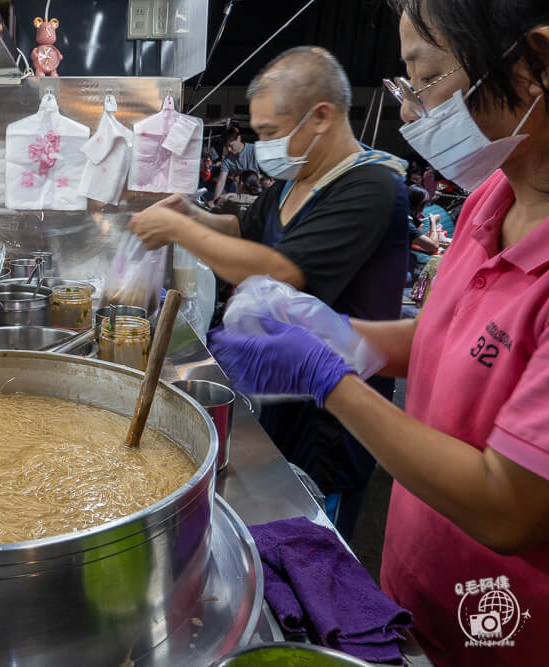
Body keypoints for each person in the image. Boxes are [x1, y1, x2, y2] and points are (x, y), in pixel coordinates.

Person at [208, 1, 549, 664]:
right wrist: (341, 334)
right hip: (412, 600)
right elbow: (452, 336)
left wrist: (327, 377)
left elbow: (510, 506)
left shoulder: (373, 187)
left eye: (426, 80)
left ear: (535, 64)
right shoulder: (493, 195)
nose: (412, 110)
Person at [129, 45, 410, 537]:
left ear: (321, 116)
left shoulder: (370, 186)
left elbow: (281, 269)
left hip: (335, 412)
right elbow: (244, 229)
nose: (263, 146)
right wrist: (192, 215)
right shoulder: (294, 180)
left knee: (315, 538)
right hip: (279, 388)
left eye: (270, 133)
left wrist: (177, 233)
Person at [213, 126, 259, 198]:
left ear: (239, 138)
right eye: (226, 146)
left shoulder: (255, 151)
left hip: (258, 194)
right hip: (240, 194)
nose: (229, 149)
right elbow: (221, 181)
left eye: (231, 145)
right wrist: (215, 199)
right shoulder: (227, 160)